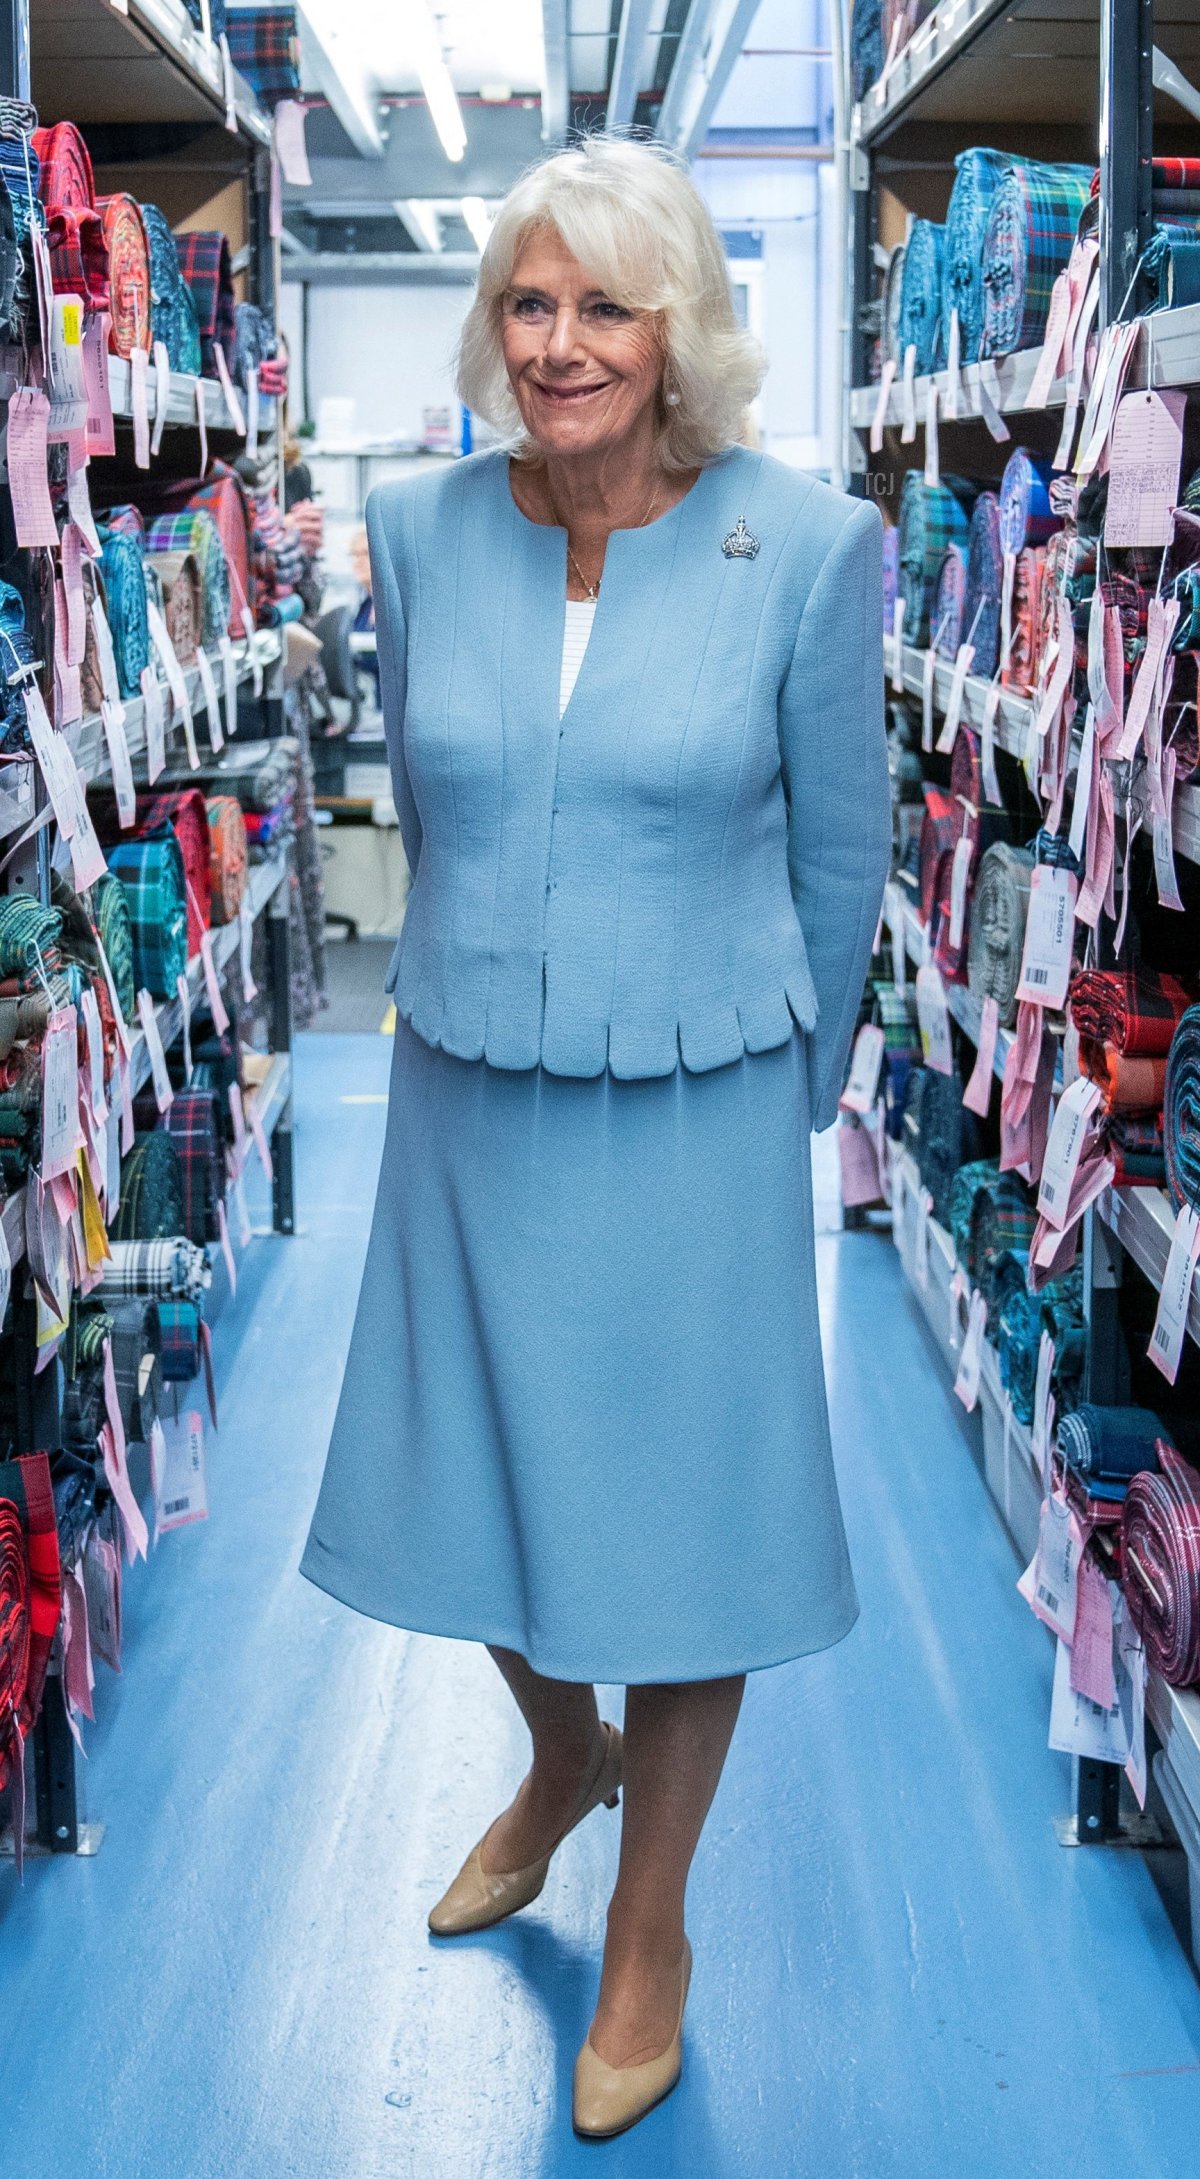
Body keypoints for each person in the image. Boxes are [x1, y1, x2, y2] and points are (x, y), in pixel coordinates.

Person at [301, 133, 889, 2141]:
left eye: (607, 306)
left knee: (691, 1536)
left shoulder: (803, 550)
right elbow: (433, 785)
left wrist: (780, 1112)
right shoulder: (419, 528)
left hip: (707, 1103)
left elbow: (841, 863)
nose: (563, 347)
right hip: (473, 1087)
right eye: (532, 305)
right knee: (464, 1477)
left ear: (682, 331)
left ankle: (651, 1928)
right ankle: (561, 1755)